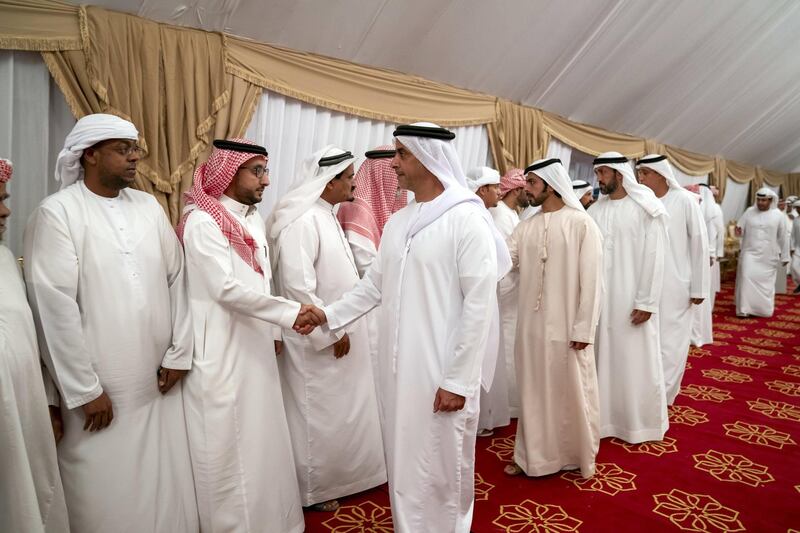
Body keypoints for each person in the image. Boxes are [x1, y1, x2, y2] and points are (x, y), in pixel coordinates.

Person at [299, 122, 510, 533]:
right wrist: (329, 314)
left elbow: (479, 307)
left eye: (402, 154)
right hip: (400, 373)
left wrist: (458, 380)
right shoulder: (401, 222)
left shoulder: (467, 219)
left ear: (429, 160)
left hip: (442, 374)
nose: (393, 163)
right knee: (406, 464)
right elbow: (373, 286)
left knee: (442, 468)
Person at [23, 114, 198, 532]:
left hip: (158, 379)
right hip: (101, 387)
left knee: (163, 476)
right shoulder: (57, 213)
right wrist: (84, 389)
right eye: (123, 150)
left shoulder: (148, 207)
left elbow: (180, 280)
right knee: (104, 484)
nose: (135, 157)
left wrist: (180, 352)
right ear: (90, 155)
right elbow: (53, 306)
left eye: (135, 148)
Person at [178, 139, 321, 533]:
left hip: (256, 345)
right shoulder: (202, 222)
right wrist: (289, 314)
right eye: (256, 171)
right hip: (222, 349)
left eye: (265, 170)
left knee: (262, 440)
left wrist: (275, 329)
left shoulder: (252, 219)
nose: (266, 180)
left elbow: (264, 277)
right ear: (228, 172)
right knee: (228, 444)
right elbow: (223, 288)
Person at [268, 146, 386, 511]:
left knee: (341, 412)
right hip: (314, 339)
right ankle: (315, 489)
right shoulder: (303, 221)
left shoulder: (326, 215)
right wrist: (329, 331)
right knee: (316, 413)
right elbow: (297, 287)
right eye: (348, 177)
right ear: (327, 181)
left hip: (340, 332)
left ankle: (350, 476)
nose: (353, 183)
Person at [503, 158, 603, 479]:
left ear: (550, 184)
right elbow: (504, 264)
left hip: (568, 326)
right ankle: (532, 457)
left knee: (570, 390)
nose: (527, 189)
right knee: (532, 392)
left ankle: (574, 454)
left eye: (532, 183)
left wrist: (585, 327)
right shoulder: (525, 227)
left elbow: (592, 281)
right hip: (530, 329)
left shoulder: (581, 224)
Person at [0, 158, 70, 533]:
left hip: (23, 416)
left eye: (5, 199)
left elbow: (29, 335)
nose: (6, 210)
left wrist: (49, 401)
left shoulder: (6, 259)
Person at [588, 152, 669, 443]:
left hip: (632, 300)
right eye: (597, 174)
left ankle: (637, 423)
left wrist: (646, 301)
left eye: (602, 174)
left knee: (634, 359)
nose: (598, 180)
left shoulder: (646, 208)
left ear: (619, 175)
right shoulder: (595, 211)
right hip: (602, 301)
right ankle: (605, 420)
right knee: (603, 359)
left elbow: (655, 257)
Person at [636, 154, 709, 405]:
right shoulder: (640, 202)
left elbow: (699, 242)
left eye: (645, 173)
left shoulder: (685, 201)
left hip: (677, 284)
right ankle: (646, 393)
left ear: (660, 174)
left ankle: (664, 396)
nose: (640, 178)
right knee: (647, 341)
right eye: (639, 174)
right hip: (644, 284)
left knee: (671, 341)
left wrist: (700, 286)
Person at [466, 166, 510, 436]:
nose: (499, 192)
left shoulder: (487, 215)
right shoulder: (475, 216)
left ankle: (485, 416)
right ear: (482, 190)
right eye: (495, 187)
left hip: (489, 296)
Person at [489, 168, 528, 418]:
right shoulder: (501, 216)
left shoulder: (511, 214)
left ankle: (510, 403)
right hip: (504, 291)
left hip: (514, 293)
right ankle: (503, 404)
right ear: (516, 191)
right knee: (504, 346)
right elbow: (504, 259)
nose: (529, 195)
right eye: (526, 189)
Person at [336, 146, 407, 275]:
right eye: (395, 174)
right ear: (380, 175)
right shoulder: (357, 208)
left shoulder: (382, 206)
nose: (398, 186)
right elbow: (365, 266)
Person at [735, 188, 790, 316]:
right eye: (758, 200)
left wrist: (785, 256)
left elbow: (783, 237)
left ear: (770, 200)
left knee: (766, 285)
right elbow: (740, 229)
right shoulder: (749, 212)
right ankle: (744, 310)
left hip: (768, 256)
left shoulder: (779, 215)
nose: (760, 202)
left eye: (763, 200)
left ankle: (762, 310)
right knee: (746, 277)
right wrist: (738, 231)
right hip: (750, 253)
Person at [691, 184, 723, 346]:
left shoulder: (712, 210)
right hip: (695, 257)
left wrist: (711, 253)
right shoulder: (697, 207)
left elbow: (714, 234)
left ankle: (697, 334)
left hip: (705, 256)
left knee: (702, 296)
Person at [791, 199, 800, 293]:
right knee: (794, 267)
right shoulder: (796, 220)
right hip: (797, 248)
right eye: (796, 208)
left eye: (798, 208)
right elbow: (792, 235)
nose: (797, 210)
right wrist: (792, 247)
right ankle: (799, 284)